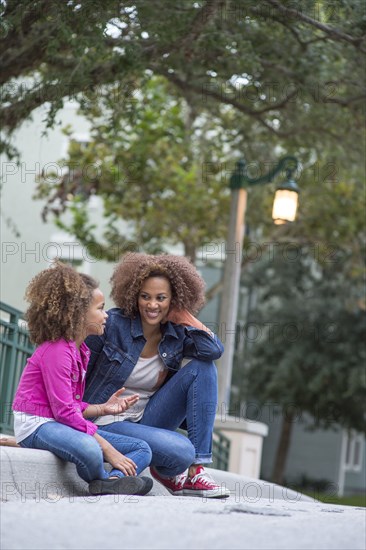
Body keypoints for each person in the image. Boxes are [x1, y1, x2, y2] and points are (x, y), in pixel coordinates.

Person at [84, 252, 230, 498]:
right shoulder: (113, 325)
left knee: (204, 367)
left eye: (161, 298)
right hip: (108, 420)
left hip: (148, 419)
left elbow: (213, 350)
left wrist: (183, 316)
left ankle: (196, 471)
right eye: (145, 297)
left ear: (173, 300)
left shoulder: (176, 334)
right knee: (182, 450)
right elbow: (80, 372)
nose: (152, 305)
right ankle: (168, 469)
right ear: (134, 295)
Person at [12, 262, 153, 496]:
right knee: (91, 448)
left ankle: (111, 481)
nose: (106, 315)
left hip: (57, 420)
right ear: (78, 314)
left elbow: (69, 406)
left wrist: (103, 409)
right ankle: (103, 479)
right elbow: (64, 412)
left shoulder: (80, 350)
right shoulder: (57, 350)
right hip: (37, 425)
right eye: (100, 308)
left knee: (142, 448)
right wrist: (106, 447)